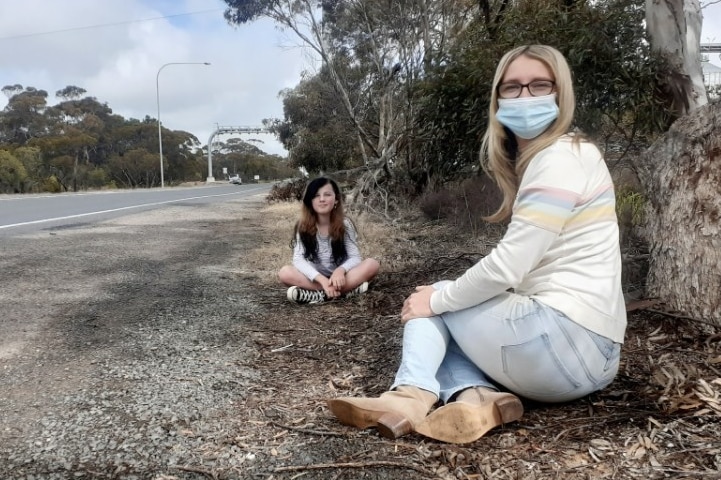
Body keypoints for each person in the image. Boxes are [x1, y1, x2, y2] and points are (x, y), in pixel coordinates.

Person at [326, 45, 627, 443]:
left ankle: (409, 396)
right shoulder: (567, 156)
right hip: (592, 359)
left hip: (562, 344)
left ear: (561, 93)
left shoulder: (560, 157)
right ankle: (478, 398)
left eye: (539, 86)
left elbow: (508, 267)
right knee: (450, 309)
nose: (525, 97)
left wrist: (435, 300)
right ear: (498, 98)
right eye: (512, 88)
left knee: (433, 300)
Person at [278, 176, 380, 304]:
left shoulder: (345, 224)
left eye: (327, 194)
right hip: (314, 278)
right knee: (285, 273)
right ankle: (342, 292)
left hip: (343, 278)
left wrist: (340, 271)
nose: (322, 199)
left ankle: (316, 295)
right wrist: (322, 280)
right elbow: (298, 259)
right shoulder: (302, 226)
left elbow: (355, 257)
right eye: (316, 195)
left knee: (372, 264)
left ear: (336, 199)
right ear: (310, 200)